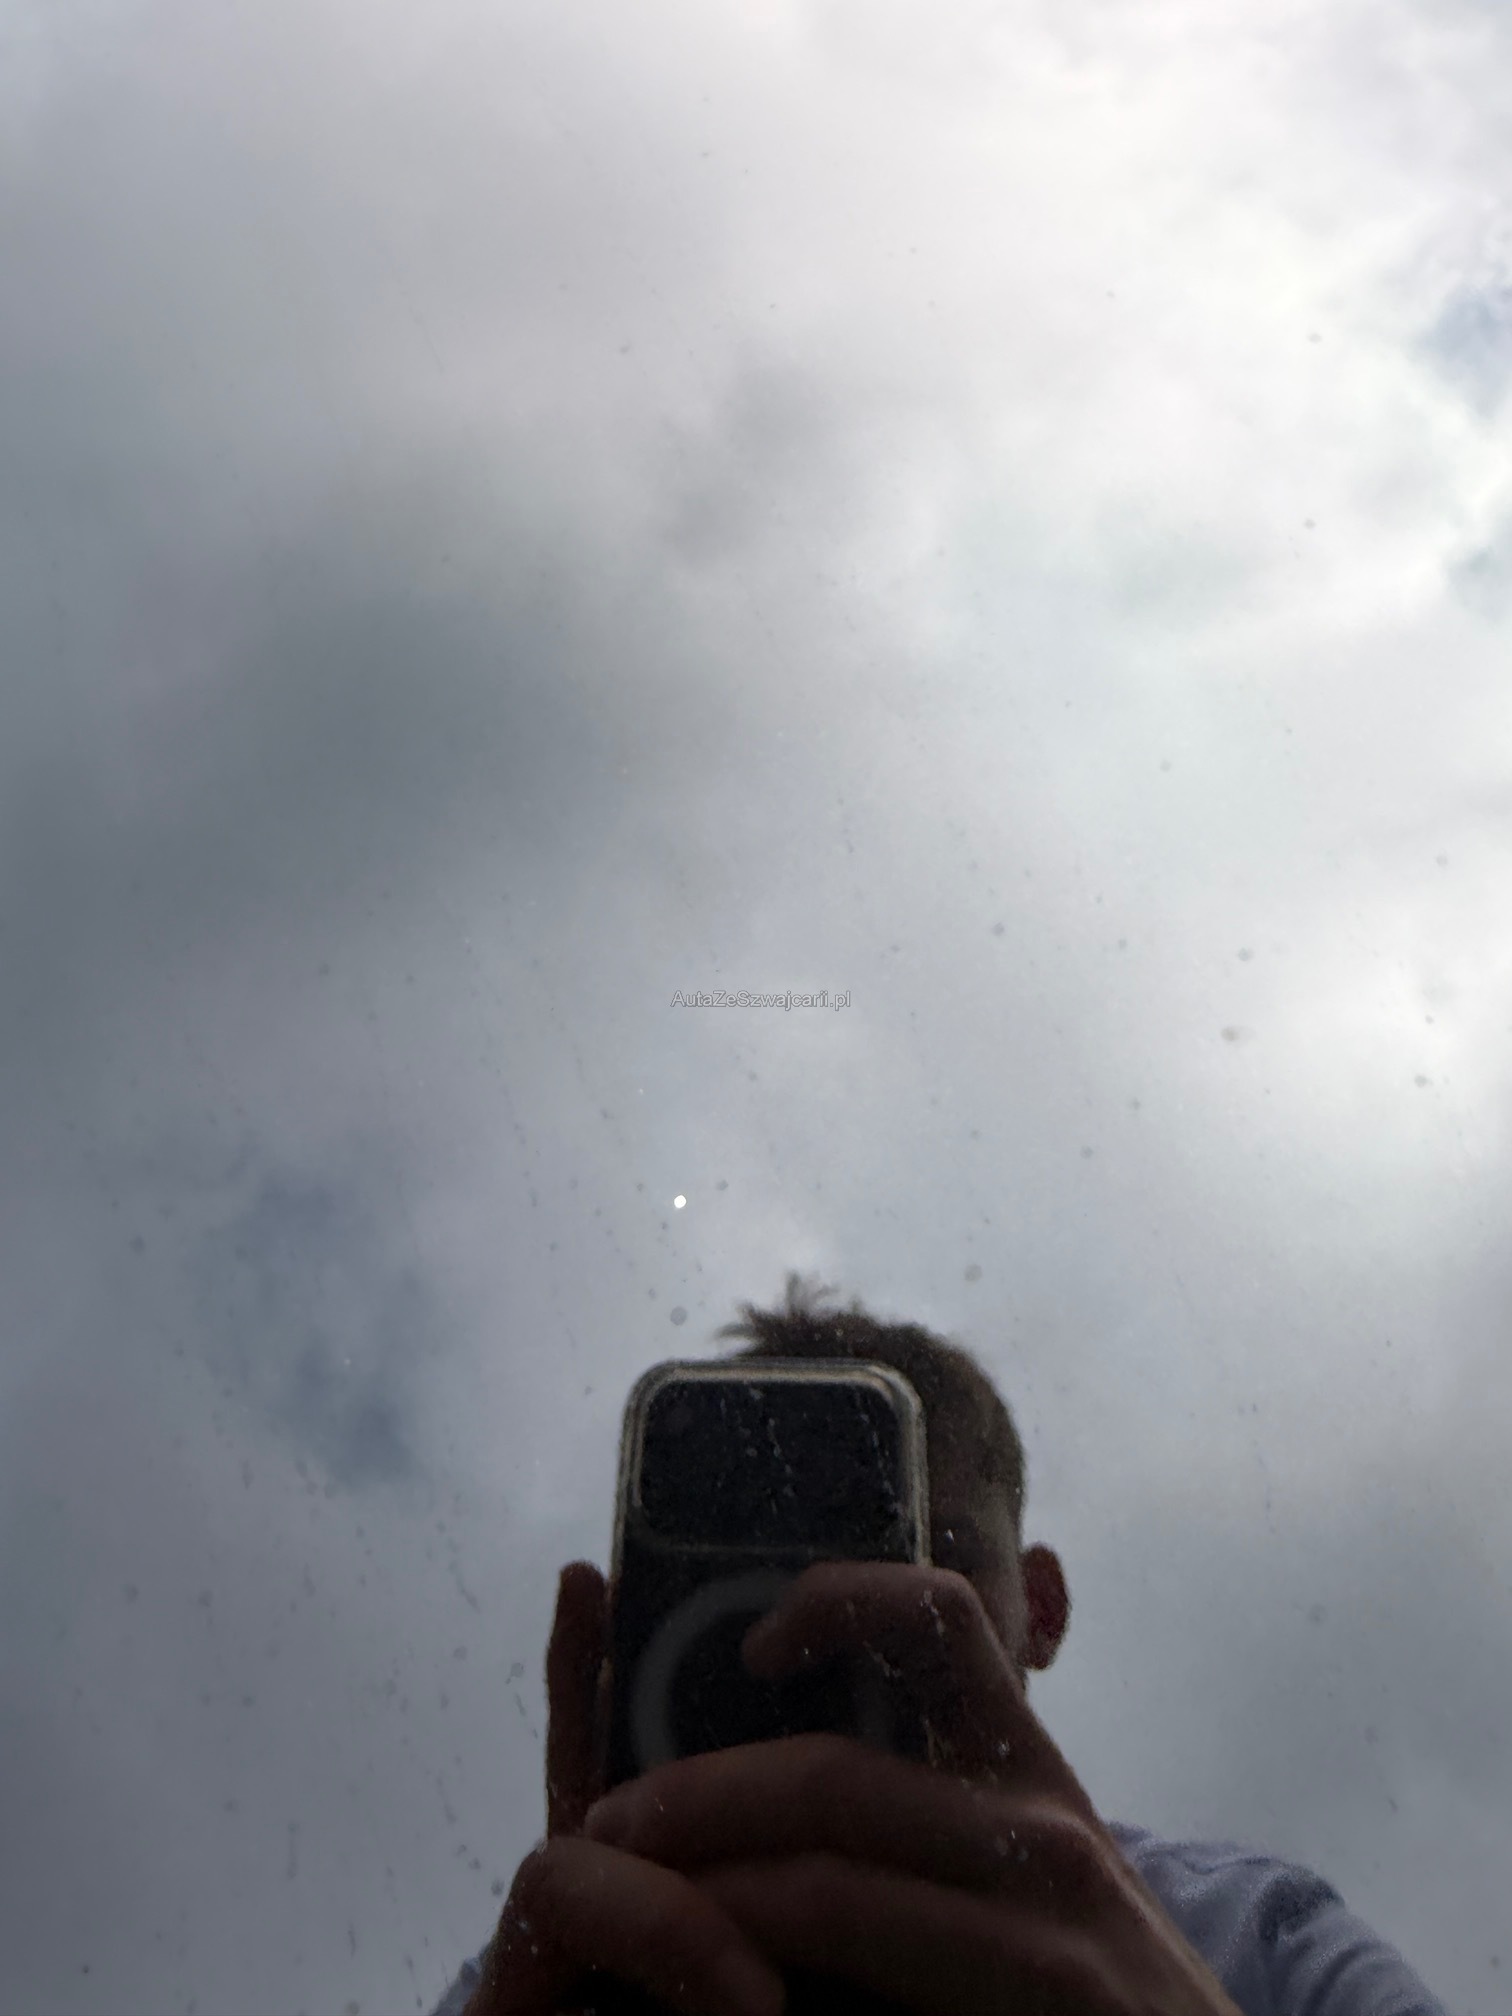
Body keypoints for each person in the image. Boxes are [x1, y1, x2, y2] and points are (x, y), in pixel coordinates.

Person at [430, 1276, 1447, 2016]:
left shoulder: (1255, 1934)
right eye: (767, 1589)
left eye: (928, 1570)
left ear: (1040, 1607)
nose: (838, 1637)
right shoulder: (553, 1966)